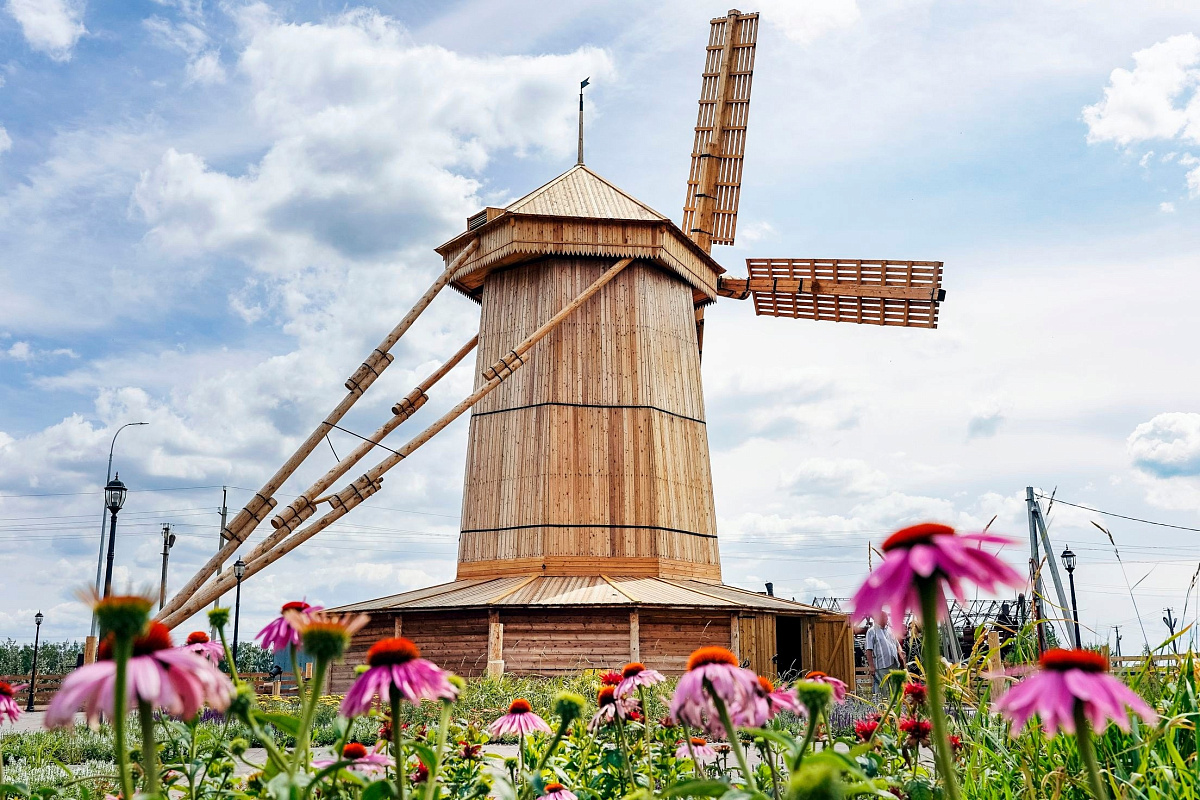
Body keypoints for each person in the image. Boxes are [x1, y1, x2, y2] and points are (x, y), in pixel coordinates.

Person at [864, 610, 904, 696]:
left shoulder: (890, 630)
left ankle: (895, 707)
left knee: (895, 689)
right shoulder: (871, 631)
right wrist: (871, 666)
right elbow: (868, 649)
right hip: (881, 666)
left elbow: (897, 644)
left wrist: (900, 652)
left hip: (894, 664)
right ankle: (883, 708)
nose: (887, 619)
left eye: (887, 617)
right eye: (885, 617)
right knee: (883, 690)